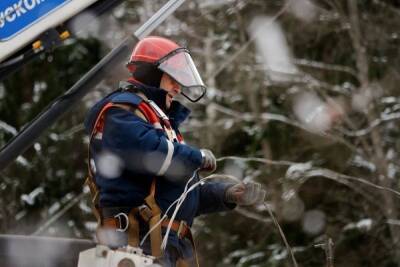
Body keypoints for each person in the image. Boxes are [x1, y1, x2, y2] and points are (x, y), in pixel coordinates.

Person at [84, 36, 266, 266]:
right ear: (152, 73)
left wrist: (226, 194)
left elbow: (180, 197)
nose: (178, 88)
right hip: (136, 242)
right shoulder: (120, 111)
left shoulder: (157, 120)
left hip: (163, 245)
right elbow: (151, 154)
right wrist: (196, 157)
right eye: (173, 78)